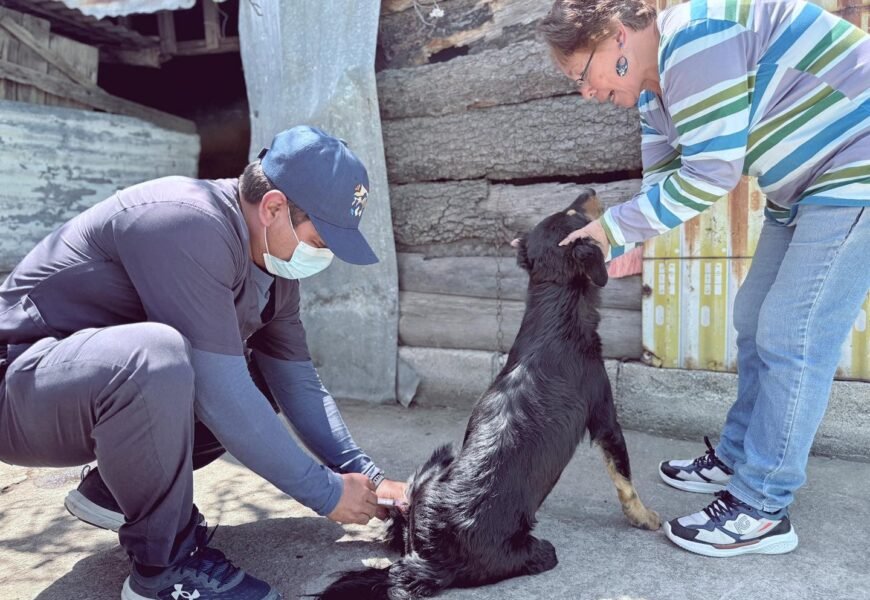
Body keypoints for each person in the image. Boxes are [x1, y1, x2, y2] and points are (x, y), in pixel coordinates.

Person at [0, 125, 407, 599]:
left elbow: (297, 380)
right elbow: (220, 392)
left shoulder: (274, 270)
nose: (325, 255)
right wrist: (326, 492)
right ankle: (164, 568)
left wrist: (371, 479)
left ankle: (115, 491)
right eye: (321, 240)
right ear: (273, 208)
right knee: (159, 356)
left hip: (87, 395)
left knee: (258, 376)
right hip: (21, 391)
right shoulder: (185, 219)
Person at [538, 0, 870, 557]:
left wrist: (612, 229)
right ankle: (740, 456)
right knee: (753, 318)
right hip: (805, 184)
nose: (586, 93)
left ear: (615, 36)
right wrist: (626, 242)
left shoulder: (696, 38)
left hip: (855, 168)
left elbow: (711, 174)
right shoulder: (653, 94)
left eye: (581, 75)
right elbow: (663, 184)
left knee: (793, 333)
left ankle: (762, 507)